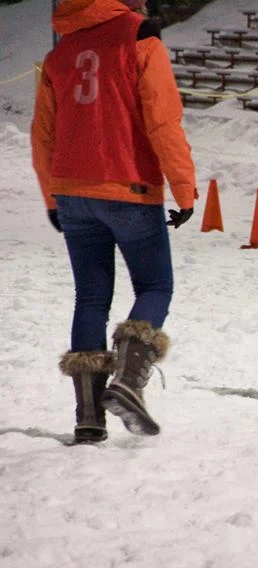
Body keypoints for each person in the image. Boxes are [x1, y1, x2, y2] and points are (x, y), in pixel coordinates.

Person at [31, 0, 197, 443]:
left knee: (90, 298)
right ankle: (128, 380)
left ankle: (88, 418)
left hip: (70, 189)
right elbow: (163, 119)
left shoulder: (60, 52)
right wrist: (184, 189)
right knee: (155, 286)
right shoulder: (140, 34)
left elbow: (43, 133)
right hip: (129, 186)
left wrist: (52, 196)